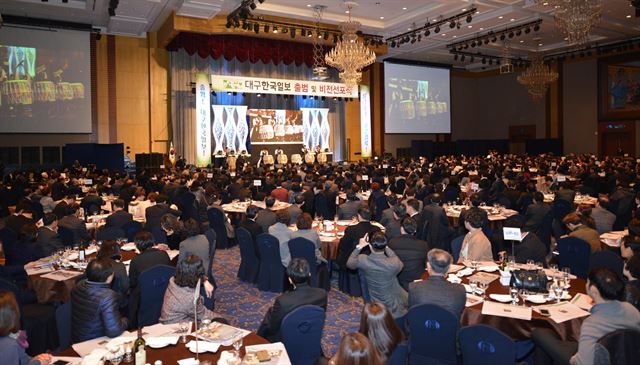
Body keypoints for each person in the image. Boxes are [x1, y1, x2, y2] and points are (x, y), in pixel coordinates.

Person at [532, 268, 640, 365]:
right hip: (625, 357)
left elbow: (582, 363)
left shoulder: (592, 324)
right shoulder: (631, 309)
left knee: (539, 333)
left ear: (593, 290)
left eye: (587, 282)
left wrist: (574, 357)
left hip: (592, 359)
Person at [257, 258, 328, 342]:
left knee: (270, 314)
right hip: (310, 333)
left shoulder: (282, 301)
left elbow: (273, 328)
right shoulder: (322, 294)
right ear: (309, 274)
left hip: (287, 340)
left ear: (290, 280)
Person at [347, 231, 408, 318]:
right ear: (385, 246)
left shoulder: (363, 260)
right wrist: (385, 246)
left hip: (374, 300)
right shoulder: (394, 263)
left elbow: (349, 264)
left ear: (370, 246)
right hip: (393, 302)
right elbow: (396, 260)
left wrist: (359, 246)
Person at [71, 258, 128, 343]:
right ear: (109, 277)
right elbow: (113, 331)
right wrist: (126, 321)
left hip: (77, 337)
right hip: (95, 342)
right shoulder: (108, 296)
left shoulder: (79, 285)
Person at [159, 255, 220, 324]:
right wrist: (221, 318)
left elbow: (191, 273)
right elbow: (204, 315)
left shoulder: (174, 279)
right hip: (177, 328)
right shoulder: (189, 299)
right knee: (219, 322)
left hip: (172, 318)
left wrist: (205, 281)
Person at [408, 249, 466, 319]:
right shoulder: (460, 290)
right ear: (448, 269)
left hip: (419, 327)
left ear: (428, 266)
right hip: (450, 329)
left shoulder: (414, 287)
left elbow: (412, 313)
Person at [0, 291, 52, 365]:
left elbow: (22, 360)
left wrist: (35, 359)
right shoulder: (9, 346)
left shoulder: (11, 338)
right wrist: (38, 363)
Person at [388, 217, 429, 290]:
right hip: (417, 279)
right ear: (415, 230)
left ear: (401, 229)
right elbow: (426, 263)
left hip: (397, 278)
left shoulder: (392, 243)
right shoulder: (423, 245)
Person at [96, 240, 130, 305]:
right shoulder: (120, 266)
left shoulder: (94, 264)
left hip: (96, 300)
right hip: (116, 303)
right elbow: (125, 287)